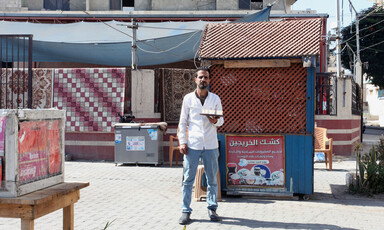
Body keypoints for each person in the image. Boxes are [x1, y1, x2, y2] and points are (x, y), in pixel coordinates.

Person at [178, 66, 224, 225]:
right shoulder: (188, 99)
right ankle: (185, 211)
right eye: (201, 77)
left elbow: (222, 120)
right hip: (193, 144)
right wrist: (182, 142)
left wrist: (215, 121)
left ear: (209, 81)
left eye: (206, 78)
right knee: (188, 179)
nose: (203, 80)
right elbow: (183, 122)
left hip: (211, 144)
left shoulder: (215, 98)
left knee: (212, 178)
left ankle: (212, 208)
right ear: (195, 79)